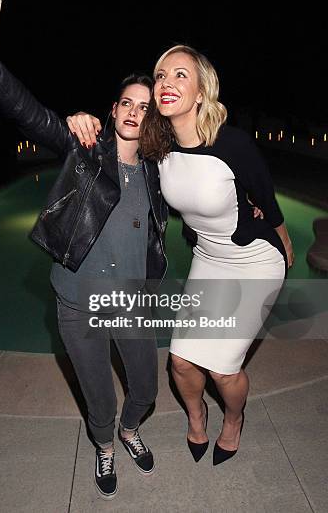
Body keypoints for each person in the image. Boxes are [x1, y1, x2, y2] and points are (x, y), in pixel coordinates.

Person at [0, 0, 168, 500]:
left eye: (145, 107)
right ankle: (104, 445)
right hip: (78, 302)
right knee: (98, 394)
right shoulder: (83, 150)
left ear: (149, 121)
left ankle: (130, 431)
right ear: (113, 107)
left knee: (145, 388)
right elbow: (26, 112)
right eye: (128, 102)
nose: (135, 111)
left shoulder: (155, 171)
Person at [67, 44, 293, 466]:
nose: (167, 83)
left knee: (224, 368)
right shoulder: (159, 147)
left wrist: (283, 240)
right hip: (208, 258)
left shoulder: (234, 144)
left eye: (180, 75)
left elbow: (267, 197)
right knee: (182, 363)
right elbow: (122, 160)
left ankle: (234, 418)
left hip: (253, 260)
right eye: (162, 75)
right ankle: (197, 414)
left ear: (202, 92)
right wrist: (77, 120)